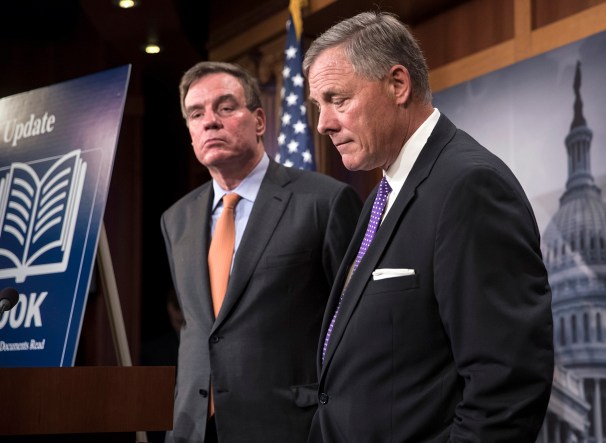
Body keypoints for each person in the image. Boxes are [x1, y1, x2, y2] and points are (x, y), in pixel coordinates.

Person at [304, 11, 554, 442]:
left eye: (337, 99)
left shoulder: (469, 187)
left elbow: (506, 388)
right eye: (318, 106)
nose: (323, 123)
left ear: (398, 85)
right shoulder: (382, 193)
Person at [161, 61, 362, 443]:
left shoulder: (324, 202)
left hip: (291, 426)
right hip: (194, 428)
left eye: (225, 107)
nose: (210, 122)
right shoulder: (176, 219)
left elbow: (357, 325)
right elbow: (198, 328)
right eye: (196, 114)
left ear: (258, 120)